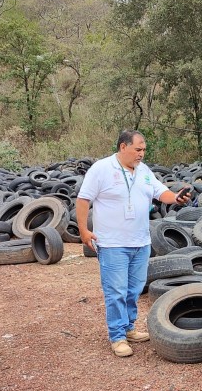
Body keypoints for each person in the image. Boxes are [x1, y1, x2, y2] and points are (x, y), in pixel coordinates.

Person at [76, 130, 191, 357]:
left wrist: (176, 198)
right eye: (138, 149)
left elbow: (161, 193)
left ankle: (129, 328)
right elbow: (83, 199)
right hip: (112, 244)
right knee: (116, 291)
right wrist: (83, 230)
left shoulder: (144, 171)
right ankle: (117, 336)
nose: (142, 154)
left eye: (144, 150)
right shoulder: (102, 169)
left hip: (141, 241)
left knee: (134, 289)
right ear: (122, 147)